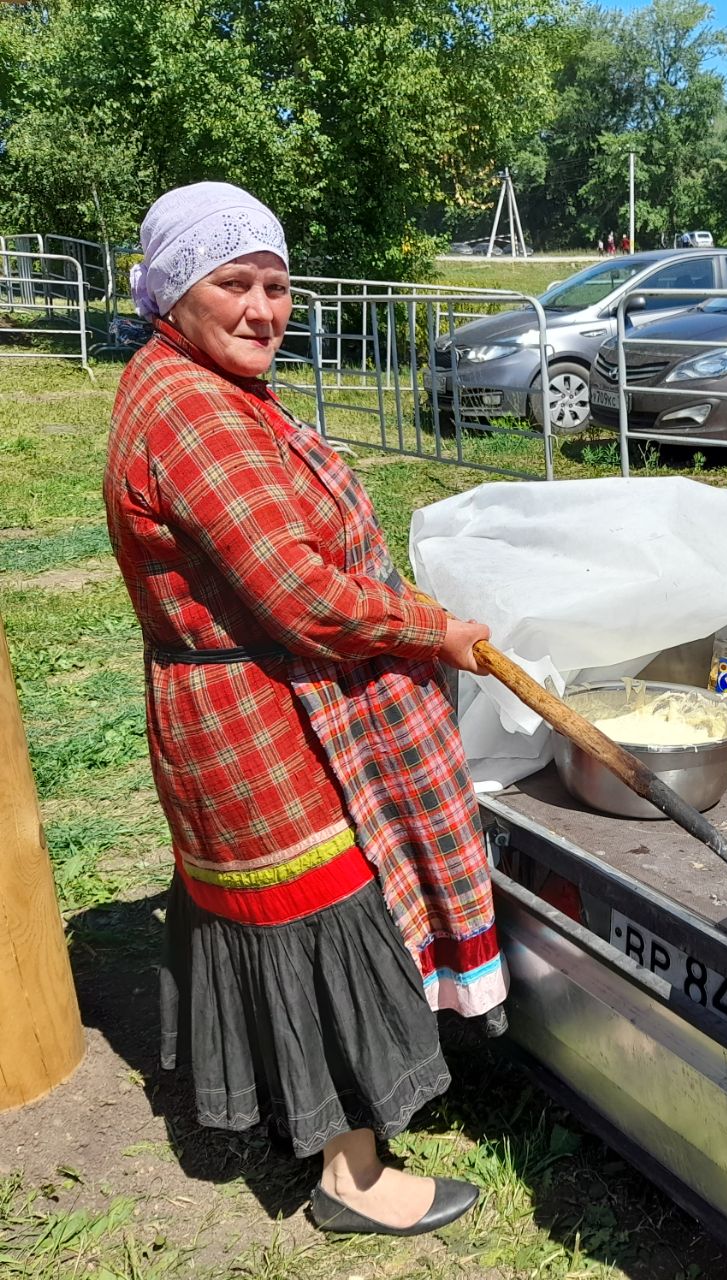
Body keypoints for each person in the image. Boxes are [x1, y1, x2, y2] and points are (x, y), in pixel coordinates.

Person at [103, 182, 506, 1237]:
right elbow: (299, 593)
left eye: (277, 285)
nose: (262, 307)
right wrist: (428, 626)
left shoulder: (196, 380)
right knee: (321, 913)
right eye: (232, 282)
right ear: (171, 294)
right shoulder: (188, 407)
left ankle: (302, 1115)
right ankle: (352, 1177)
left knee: (288, 914)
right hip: (253, 708)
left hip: (238, 692)